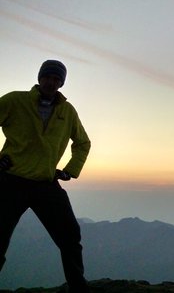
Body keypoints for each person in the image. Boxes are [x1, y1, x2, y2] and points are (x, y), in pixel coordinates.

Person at [0, 60, 91, 292]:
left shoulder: (67, 112)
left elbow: (83, 142)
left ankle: (78, 287)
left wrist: (70, 170)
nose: (52, 82)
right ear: (40, 78)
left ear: (61, 83)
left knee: (71, 237)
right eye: (48, 77)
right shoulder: (15, 100)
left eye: (57, 79)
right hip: (11, 180)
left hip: (45, 183)